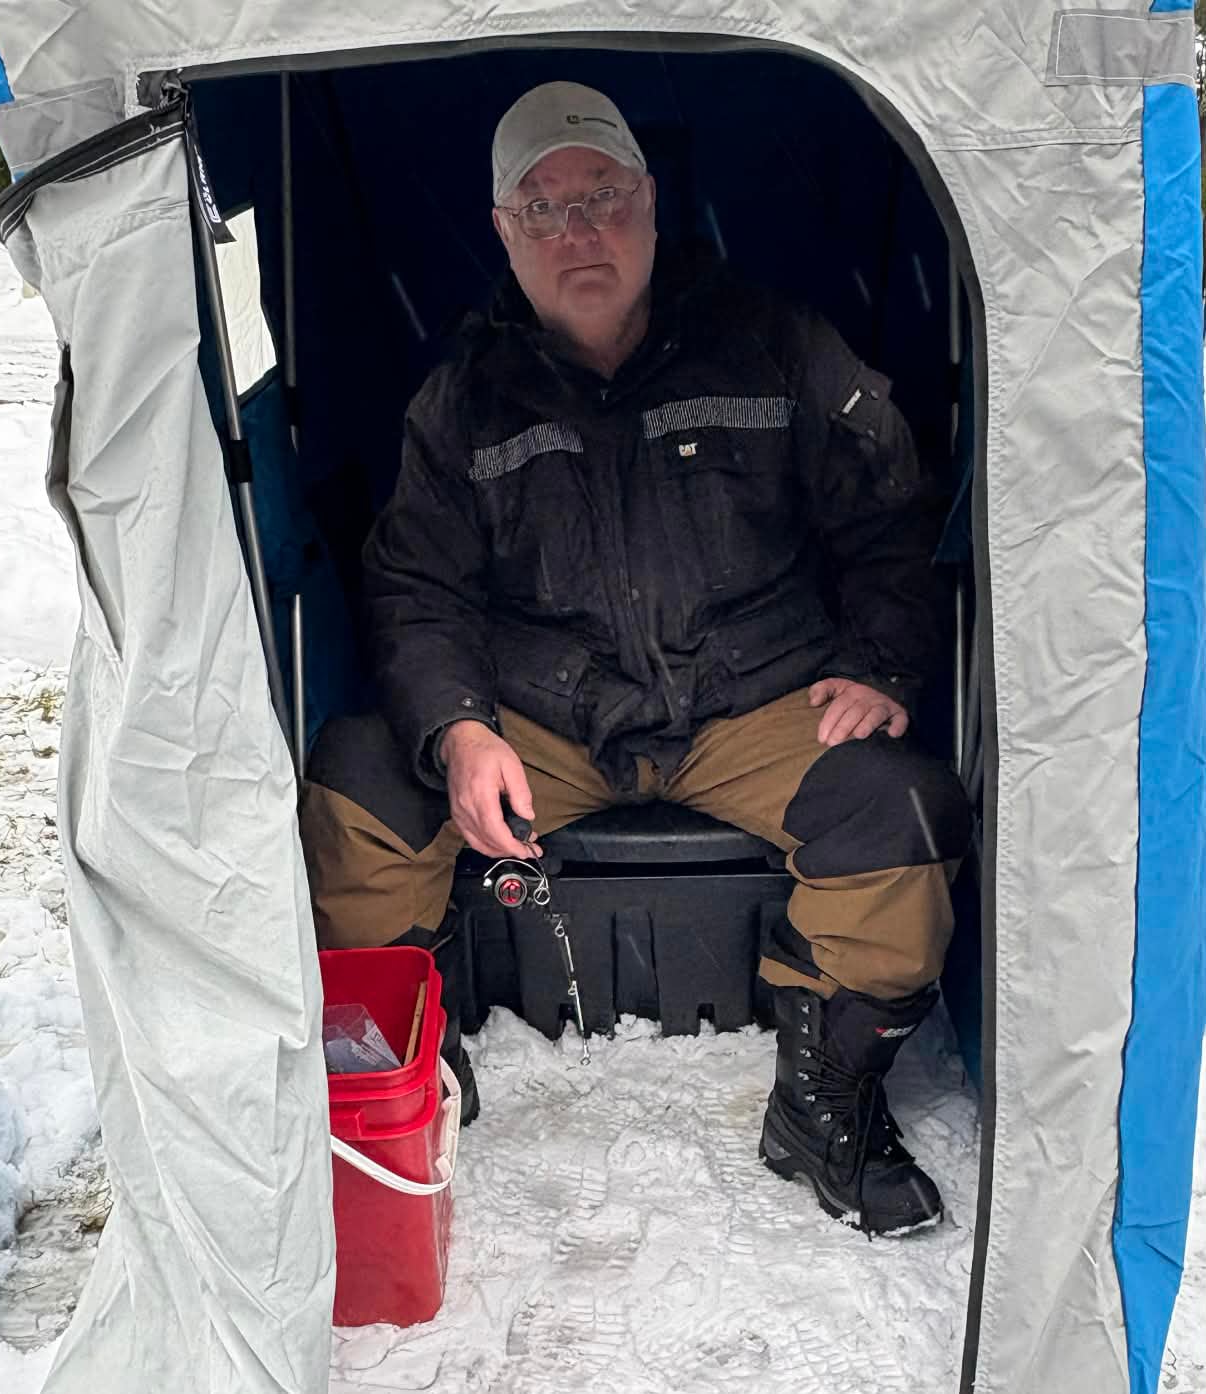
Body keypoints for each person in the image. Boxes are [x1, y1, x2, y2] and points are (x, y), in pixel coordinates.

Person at [301, 81, 973, 1236]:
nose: (579, 231)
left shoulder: (776, 343)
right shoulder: (460, 400)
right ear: (502, 230)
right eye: (543, 208)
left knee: (904, 810)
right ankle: (413, 1064)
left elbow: (889, 511)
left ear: (653, 204)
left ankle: (824, 1096)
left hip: (754, 698)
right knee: (360, 783)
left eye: (603, 196)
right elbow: (415, 588)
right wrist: (459, 728)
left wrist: (883, 662)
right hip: (544, 715)